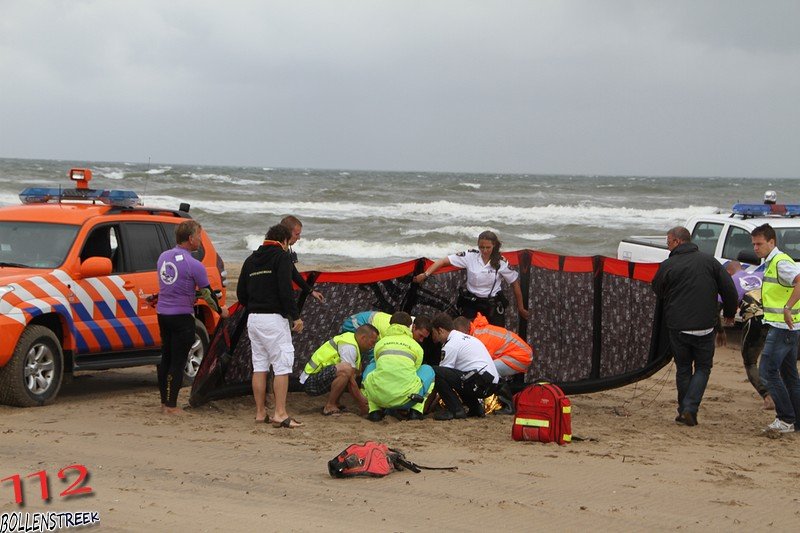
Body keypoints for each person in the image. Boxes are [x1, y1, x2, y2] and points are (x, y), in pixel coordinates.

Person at [652, 226, 738, 426]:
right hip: (705, 326)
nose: (668, 247)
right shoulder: (709, 261)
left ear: (677, 241)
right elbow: (729, 289)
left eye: (668, 243)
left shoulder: (669, 264)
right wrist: (730, 314)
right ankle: (689, 409)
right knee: (703, 368)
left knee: (683, 368)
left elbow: (657, 288)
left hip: (678, 326)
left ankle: (685, 409)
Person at [156, 220, 228, 415]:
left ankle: (164, 403)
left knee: (166, 358)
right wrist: (220, 310)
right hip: (181, 317)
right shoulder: (193, 264)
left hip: (163, 314)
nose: (200, 240)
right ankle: (171, 407)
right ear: (190, 238)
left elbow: (169, 285)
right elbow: (207, 294)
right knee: (178, 362)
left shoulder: (163, 257)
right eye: (199, 236)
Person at [237, 224, 303, 428]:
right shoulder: (281, 257)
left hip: (254, 319)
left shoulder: (251, 259)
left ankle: (259, 413)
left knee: (259, 366)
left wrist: (255, 304)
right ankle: (280, 413)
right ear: (283, 240)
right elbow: (286, 290)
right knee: (282, 366)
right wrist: (295, 316)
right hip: (273, 319)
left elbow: (240, 293)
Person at [413, 230, 529, 326]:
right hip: (472, 303)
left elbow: (514, 283)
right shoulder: (470, 256)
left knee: (497, 336)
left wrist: (521, 308)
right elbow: (443, 261)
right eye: (481, 247)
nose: (484, 251)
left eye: (488, 247)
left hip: (492, 304)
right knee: (466, 333)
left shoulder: (501, 262)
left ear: (494, 245)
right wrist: (425, 274)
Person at [751, 224, 800, 433]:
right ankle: (795, 419)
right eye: (753, 244)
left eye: (759, 244)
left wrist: (787, 307)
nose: (755, 248)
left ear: (772, 242)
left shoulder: (780, 262)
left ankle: (786, 418)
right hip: (787, 327)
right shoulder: (774, 262)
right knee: (789, 375)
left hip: (783, 327)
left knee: (767, 372)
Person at [453, 312, 533, 414]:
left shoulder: (481, 338)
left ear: (465, 331)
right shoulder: (479, 332)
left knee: (491, 370)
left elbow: (481, 363)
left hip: (520, 356)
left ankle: (508, 406)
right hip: (520, 354)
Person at [362, 312, 435, 422]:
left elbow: (379, 366)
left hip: (379, 398)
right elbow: (414, 370)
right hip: (406, 400)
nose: (421, 340)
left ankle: (374, 411)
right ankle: (416, 411)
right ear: (410, 327)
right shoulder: (416, 347)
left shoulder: (380, 343)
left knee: (372, 366)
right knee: (428, 370)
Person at [721, 261, 772, 409]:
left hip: (754, 318)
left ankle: (768, 397)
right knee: (777, 360)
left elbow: (721, 305)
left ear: (728, 272)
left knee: (750, 362)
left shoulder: (731, 281)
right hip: (775, 318)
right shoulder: (761, 274)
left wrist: (720, 328)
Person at [430, 313, 500, 420]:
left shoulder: (450, 345)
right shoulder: (467, 338)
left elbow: (441, 375)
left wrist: (429, 405)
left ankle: (456, 410)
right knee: (460, 376)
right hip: (490, 383)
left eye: (434, 333)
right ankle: (476, 409)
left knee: (436, 371)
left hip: (480, 383)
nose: (434, 338)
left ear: (440, 330)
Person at [300, 324, 379, 416]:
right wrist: (361, 402)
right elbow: (350, 380)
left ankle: (336, 403)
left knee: (352, 370)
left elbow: (354, 374)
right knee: (346, 370)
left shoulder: (351, 340)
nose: (373, 346)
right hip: (310, 382)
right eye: (372, 342)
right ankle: (330, 406)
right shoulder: (349, 347)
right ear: (363, 338)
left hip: (318, 376)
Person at [341, 310, 432, 366]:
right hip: (355, 324)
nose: (421, 340)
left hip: (366, 322)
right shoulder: (399, 330)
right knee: (375, 358)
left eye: (424, 338)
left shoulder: (408, 324)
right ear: (414, 327)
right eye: (420, 336)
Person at [280, 215, 324, 304]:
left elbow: (294, 273)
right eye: (297, 234)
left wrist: (311, 291)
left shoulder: (285, 251)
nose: (299, 238)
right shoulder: (279, 254)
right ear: (287, 233)